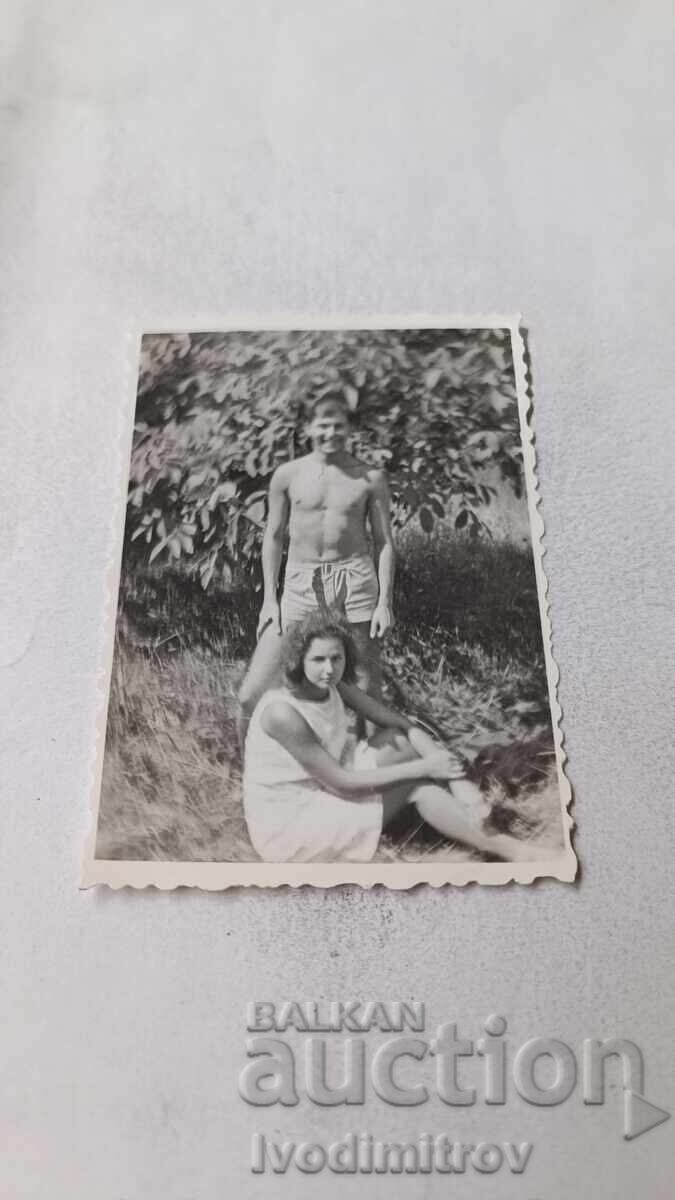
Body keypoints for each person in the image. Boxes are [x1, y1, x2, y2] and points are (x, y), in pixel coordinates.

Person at [242, 614, 548, 864]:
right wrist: (428, 766)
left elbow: (398, 722)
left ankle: (499, 835)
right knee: (415, 777)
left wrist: (453, 777)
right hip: (293, 824)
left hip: (326, 787)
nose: (329, 669)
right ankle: (512, 848)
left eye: (337, 658)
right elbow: (339, 782)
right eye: (318, 659)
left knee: (408, 746)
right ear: (298, 660)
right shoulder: (282, 713)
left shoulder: (334, 684)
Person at [237, 392, 394, 751]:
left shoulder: (369, 478)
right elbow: (274, 536)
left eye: (339, 425)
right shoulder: (287, 475)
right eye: (323, 425)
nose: (331, 433)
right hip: (300, 581)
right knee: (251, 692)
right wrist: (269, 601)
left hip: (355, 578)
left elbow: (384, 542)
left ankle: (369, 769)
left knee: (366, 686)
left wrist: (384, 601)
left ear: (350, 428)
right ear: (309, 427)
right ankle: (250, 772)